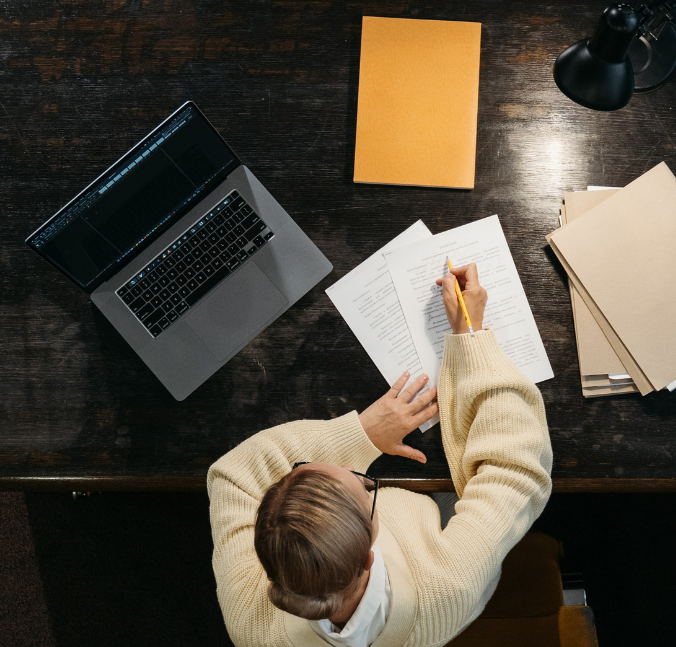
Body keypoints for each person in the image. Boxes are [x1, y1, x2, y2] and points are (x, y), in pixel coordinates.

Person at [208, 263, 553, 647]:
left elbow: (234, 473)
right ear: (370, 555)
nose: (349, 466)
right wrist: (471, 333)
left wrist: (362, 433)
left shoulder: (248, 624)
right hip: (431, 535)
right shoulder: (448, 584)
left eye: (304, 470)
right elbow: (516, 469)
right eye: (363, 487)